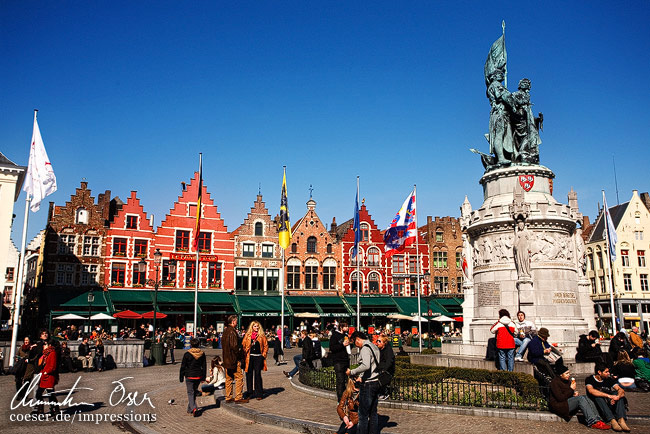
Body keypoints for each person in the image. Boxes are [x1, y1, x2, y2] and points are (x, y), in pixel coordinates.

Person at [549, 364, 610, 430]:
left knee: (585, 397)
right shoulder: (555, 382)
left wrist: (573, 394)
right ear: (561, 375)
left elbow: (566, 394)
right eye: (566, 373)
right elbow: (560, 398)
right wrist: (571, 389)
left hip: (565, 402)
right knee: (581, 399)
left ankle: (598, 419)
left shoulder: (567, 381)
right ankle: (593, 421)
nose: (569, 375)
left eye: (569, 373)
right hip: (559, 405)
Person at [346, 331, 380, 434]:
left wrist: (352, 371)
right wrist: (362, 376)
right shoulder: (374, 347)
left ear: (358, 339)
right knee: (373, 413)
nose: (355, 345)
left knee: (363, 414)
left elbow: (366, 365)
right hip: (376, 381)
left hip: (368, 384)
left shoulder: (365, 348)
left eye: (354, 342)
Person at [586, 363, 630, 432]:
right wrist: (609, 396)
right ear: (599, 372)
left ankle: (621, 419)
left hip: (608, 403)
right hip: (597, 406)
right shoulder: (590, 379)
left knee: (617, 393)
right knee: (598, 396)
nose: (608, 373)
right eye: (606, 372)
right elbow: (591, 391)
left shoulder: (608, 379)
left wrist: (617, 397)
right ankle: (612, 420)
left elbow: (620, 390)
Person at [222, 315, 248, 403]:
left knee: (229, 378)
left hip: (226, 359)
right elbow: (234, 347)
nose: (237, 323)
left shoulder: (225, 331)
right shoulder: (232, 332)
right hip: (233, 359)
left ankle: (228, 396)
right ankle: (238, 397)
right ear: (233, 322)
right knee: (239, 377)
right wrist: (240, 356)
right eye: (236, 321)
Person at [179, 338, 206, 417]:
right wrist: (203, 377)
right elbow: (204, 366)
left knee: (190, 392)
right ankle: (190, 408)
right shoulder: (202, 354)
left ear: (191, 344)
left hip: (189, 375)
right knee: (193, 391)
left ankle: (194, 408)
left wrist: (181, 376)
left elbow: (183, 366)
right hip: (198, 375)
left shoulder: (187, 354)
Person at [242, 321, 268, 400]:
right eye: (255, 326)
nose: (256, 328)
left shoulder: (262, 336)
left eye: (257, 326)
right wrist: (245, 351)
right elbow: (243, 345)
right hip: (249, 357)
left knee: (257, 374)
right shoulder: (247, 335)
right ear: (252, 327)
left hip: (258, 357)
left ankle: (259, 393)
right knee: (249, 374)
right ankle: (250, 392)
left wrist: (263, 356)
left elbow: (266, 346)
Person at [34, 339, 60, 416]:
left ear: (49, 345)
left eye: (45, 345)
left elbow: (52, 366)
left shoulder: (52, 353)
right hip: (44, 376)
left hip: (49, 376)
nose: (43, 346)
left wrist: (46, 372)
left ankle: (55, 410)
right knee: (40, 394)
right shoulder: (46, 353)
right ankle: (44, 409)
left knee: (49, 394)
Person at [330, 321, 351, 402]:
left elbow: (348, 348)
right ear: (341, 327)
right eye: (346, 326)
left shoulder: (345, 335)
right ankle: (340, 400)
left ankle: (346, 397)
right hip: (338, 360)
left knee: (346, 380)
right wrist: (342, 345)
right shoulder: (334, 335)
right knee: (340, 380)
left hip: (345, 359)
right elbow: (332, 348)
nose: (347, 328)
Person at [376, 335, 395, 400]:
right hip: (379, 369)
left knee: (381, 378)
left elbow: (389, 361)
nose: (377, 342)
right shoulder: (378, 349)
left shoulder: (388, 350)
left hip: (387, 371)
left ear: (384, 343)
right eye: (377, 341)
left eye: (379, 341)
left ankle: (384, 393)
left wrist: (384, 369)